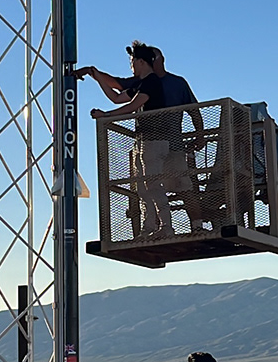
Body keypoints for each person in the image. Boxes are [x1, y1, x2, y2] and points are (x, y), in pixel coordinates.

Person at [79, 41, 199, 239]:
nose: (131, 66)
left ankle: (166, 227)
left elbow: (132, 105)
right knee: (143, 189)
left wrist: (106, 116)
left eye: (132, 61)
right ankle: (148, 227)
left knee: (153, 185)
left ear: (141, 61)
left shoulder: (152, 83)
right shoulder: (142, 84)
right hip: (144, 141)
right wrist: (96, 76)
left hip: (154, 141)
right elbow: (117, 97)